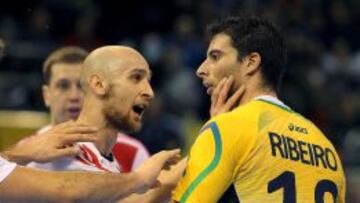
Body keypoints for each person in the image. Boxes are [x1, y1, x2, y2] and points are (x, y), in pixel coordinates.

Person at [172, 15, 346, 202]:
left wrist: (218, 129)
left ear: (251, 62)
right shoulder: (327, 148)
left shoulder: (227, 129)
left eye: (215, 56)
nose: (201, 69)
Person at [29, 45, 186, 202]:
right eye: (136, 78)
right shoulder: (57, 155)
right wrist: (193, 161)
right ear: (98, 85)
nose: (149, 92)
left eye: (148, 80)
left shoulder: (104, 159)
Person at [0, 120, 181, 202]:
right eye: (135, 77)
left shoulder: (132, 150)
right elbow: (67, 189)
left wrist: (14, 155)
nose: (72, 95)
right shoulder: (30, 148)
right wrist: (138, 179)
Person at [36, 46, 149, 172]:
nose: (74, 96)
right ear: (46, 95)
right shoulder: (29, 152)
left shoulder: (131, 153)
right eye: (63, 86)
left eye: (81, 85)